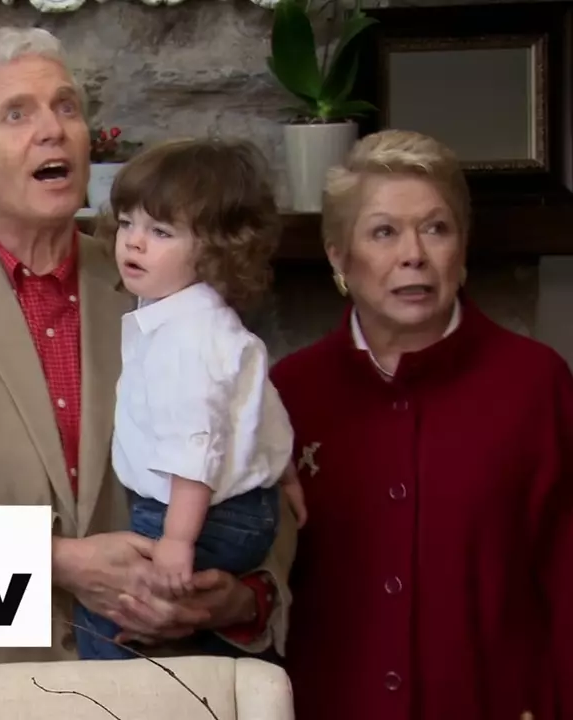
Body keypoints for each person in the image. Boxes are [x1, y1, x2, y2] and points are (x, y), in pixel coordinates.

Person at [0, 27, 298, 668]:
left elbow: (253, 462)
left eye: (66, 107)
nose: (53, 129)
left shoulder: (177, 289)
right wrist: (56, 563)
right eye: (17, 113)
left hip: (166, 685)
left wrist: (241, 599)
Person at [270, 129, 573, 720]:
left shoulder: (536, 385)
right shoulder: (289, 393)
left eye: (436, 228)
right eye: (384, 232)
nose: (414, 254)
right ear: (338, 256)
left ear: (462, 249)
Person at [73, 138, 308, 661]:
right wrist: (282, 475)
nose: (134, 243)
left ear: (214, 251)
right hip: (246, 509)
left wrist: (177, 541)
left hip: (199, 515)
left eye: (161, 232)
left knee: (104, 609)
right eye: (128, 223)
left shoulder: (186, 340)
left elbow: (194, 448)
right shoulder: (211, 322)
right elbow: (260, 410)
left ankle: (120, 690)